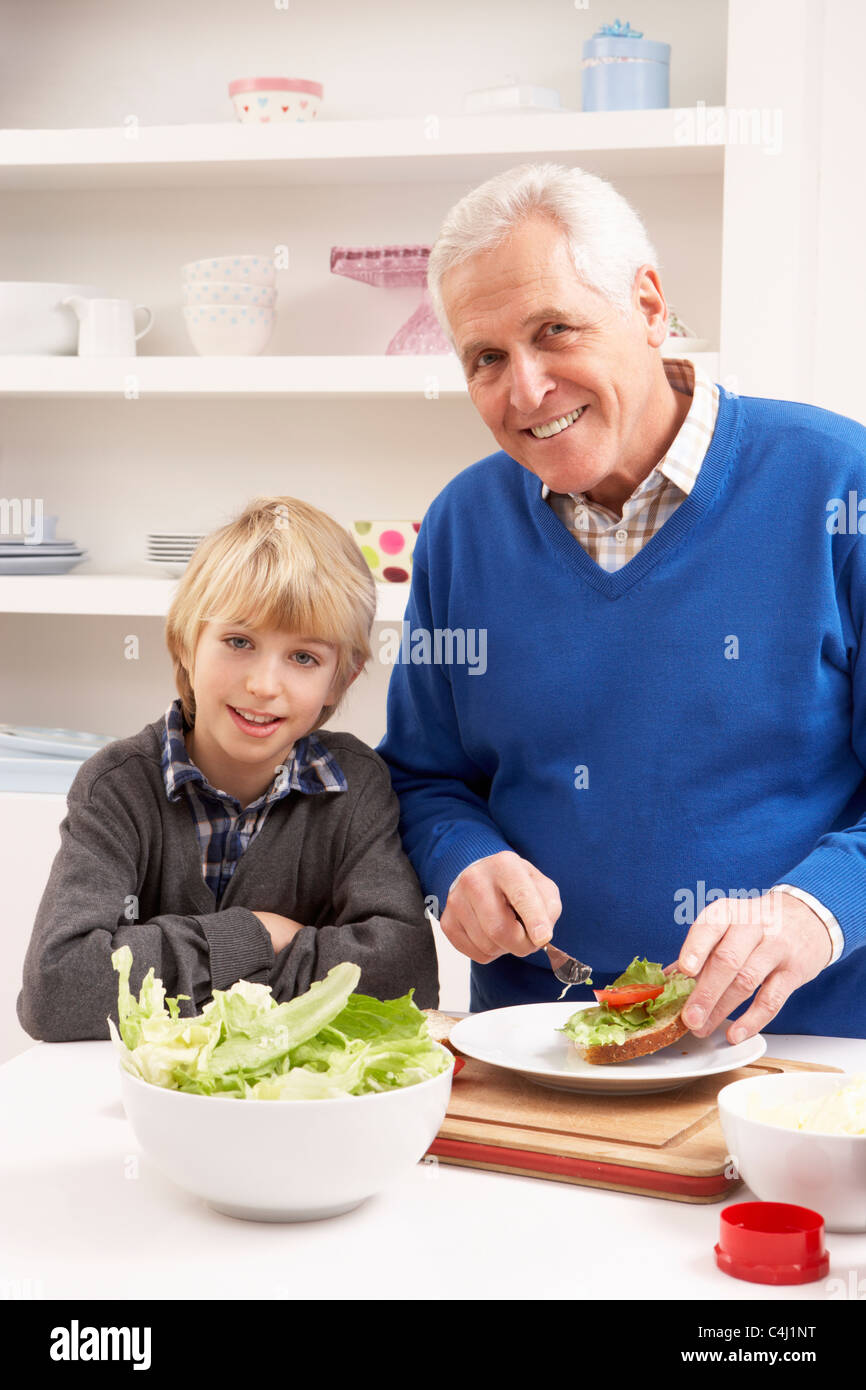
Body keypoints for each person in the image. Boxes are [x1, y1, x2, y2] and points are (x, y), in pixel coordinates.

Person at [377, 161, 866, 1041]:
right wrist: (462, 860)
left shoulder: (838, 483)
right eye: (487, 358)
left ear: (648, 307)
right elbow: (423, 776)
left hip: (802, 1056)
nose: (526, 390)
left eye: (555, 330)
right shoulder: (461, 524)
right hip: (539, 1045)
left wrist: (809, 912)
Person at [17, 496, 438, 1042]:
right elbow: (57, 991)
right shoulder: (115, 787)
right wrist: (258, 936)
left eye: (304, 657)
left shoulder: (356, 784)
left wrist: (154, 962)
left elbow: (405, 981)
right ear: (186, 645)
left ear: (343, 678)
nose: (264, 685)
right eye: (238, 642)